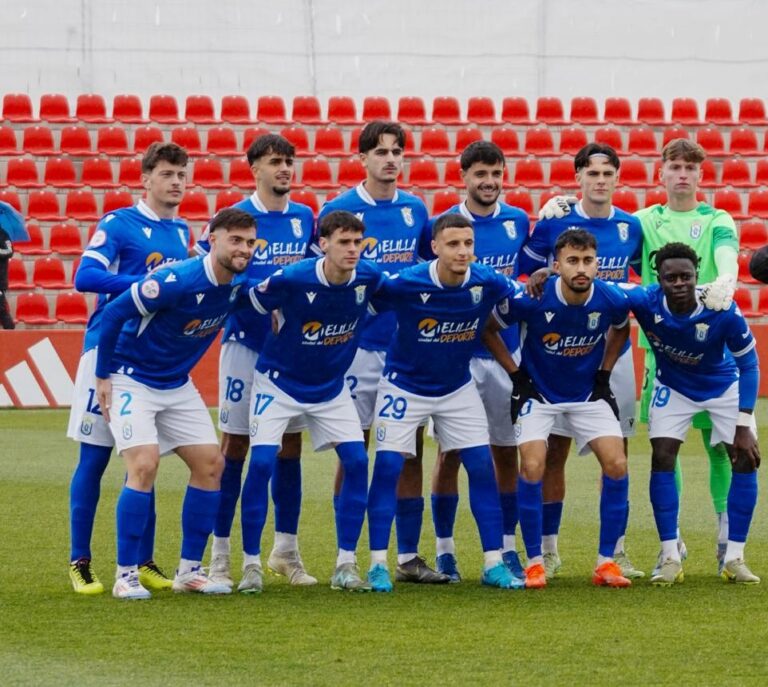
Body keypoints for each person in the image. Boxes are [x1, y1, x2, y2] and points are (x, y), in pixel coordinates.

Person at [538, 138, 740, 573]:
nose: (683, 174)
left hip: (685, 348)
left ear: (701, 174)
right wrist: (553, 214)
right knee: (652, 446)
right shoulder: (642, 221)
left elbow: (724, 250)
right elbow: (555, 258)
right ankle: (559, 550)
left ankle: (707, 541)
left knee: (704, 449)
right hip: (625, 354)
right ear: (661, 174)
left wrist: (727, 277)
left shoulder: (690, 220)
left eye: (691, 167)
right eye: (675, 167)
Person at [94, 207, 257, 599]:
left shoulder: (237, 284)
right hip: (130, 377)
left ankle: (190, 570)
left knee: (211, 464)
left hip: (176, 384)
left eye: (250, 242)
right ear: (212, 238)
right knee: (145, 464)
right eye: (235, 240)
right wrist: (102, 375)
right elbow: (114, 312)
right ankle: (126, 574)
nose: (244, 249)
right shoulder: (175, 279)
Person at [365, 213, 523, 592]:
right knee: (388, 467)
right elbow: (361, 303)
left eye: (468, 244)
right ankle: (379, 565)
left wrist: (540, 279)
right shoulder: (407, 283)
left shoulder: (486, 280)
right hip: (404, 387)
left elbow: (520, 294)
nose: (462, 251)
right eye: (453, 244)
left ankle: (492, 564)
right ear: (434, 247)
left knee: (481, 467)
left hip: (456, 388)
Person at [314, 121, 442, 583]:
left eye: (397, 151)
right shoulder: (338, 209)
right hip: (357, 348)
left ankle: (407, 557)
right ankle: (346, 556)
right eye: (380, 152)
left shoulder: (414, 209)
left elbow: (427, 267)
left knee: (407, 452)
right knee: (356, 449)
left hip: (405, 348)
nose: (390, 159)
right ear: (362, 159)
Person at [66, 142, 191, 594]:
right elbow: (85, 277)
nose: (176, 181)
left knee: (144, 458)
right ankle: (80, 561)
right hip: (106, 353)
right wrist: (146, 284)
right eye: (167, 174)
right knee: (95, 458)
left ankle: (143, 561)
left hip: (150, 363)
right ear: (146, 178)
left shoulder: (182, 234)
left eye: (182, 174)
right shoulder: (119, 223)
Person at [193, 134, 316, 588]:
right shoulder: (236, 219)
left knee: (290, 447)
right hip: (245, 346)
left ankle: (286, 550)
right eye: (274, 162)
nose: (284, 169)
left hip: (290, 354)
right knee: (236, 448)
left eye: (289, 161)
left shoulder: (305, 218)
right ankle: (221, 554)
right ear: (254, 169)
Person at [519, 143, 644, 580]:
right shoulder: (556, 221)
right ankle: (547, 551)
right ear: (579, 177)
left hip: (610, 357)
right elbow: (526, 272)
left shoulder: (631, 226)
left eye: (608, 173)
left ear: (616, 177)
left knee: (619, 450)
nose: (601, 180)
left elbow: (633, 293)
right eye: (592, 173)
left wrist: (607, 371)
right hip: (557, 355)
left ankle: (617, 549)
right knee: (552, 452)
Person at [238, 211, 381, 593]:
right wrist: (270, 322)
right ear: (323, 244)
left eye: (357, 242)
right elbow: (246, 301)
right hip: (278, 384)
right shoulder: (293, 278)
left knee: (356, 460)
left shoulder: (369, 277)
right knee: (263, 463)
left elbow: (396, 296)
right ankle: (251, 563)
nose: (353, 250)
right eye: (344, 242)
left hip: (330, 388)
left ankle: (346, 564)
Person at [484, 228, 632, 589]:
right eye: (572, 261)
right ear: (557, 265)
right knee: (533, 465)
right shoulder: (532, 297)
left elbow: (622, 329)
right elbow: (488, 330)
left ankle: (606, 562)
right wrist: (516, 374)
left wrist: (604, 373)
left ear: (597, 264)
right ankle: (535, 562)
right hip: (539, 395)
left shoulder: (610, 298)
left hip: (586, 395)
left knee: (617, 463)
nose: (581, 268)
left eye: (587, 261)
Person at [622, 242, 760, 585]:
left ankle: (734, 557)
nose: (680, 283)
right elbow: (598, 286)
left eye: (687, 276)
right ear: (659, 278)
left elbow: (750, 365)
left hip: (723, 386)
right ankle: (670, 555)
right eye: (672, 278)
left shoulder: (721, 308)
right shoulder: (644, 300)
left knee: (745, 458)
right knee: (662, 456)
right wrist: (548, 273)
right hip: (675, 389)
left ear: (698, 275)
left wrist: (744, 423)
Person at [424, 140, 530, 581]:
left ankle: (506, 547)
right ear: (463, 177)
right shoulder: (443, 223)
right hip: (457, 355)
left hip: (505, 351)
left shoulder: (518, 221)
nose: (488, 182)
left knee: (507, 453)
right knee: (450, 455)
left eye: (496, 174)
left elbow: (529, 279)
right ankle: (445, 550)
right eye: (480, 174)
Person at [0, 223, 14, 329]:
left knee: (1, 308)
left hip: (0, 279)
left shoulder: (3, 234)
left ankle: (10, 330)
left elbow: (10, 251)